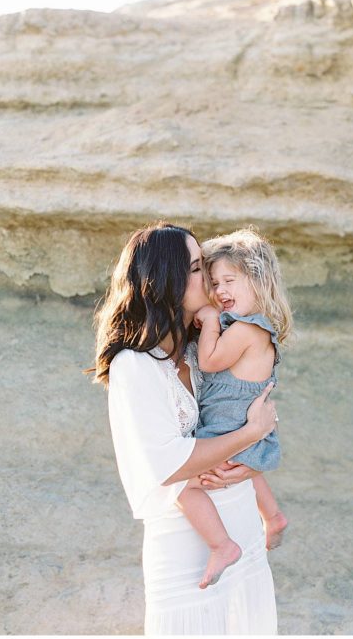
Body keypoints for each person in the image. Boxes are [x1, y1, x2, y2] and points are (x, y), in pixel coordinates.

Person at [90, 222, 279, 634]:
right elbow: (168, 464)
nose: (208, 276)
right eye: (196, 268)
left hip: (242, 524)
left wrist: (250, 460)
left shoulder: (197, 349)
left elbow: (242, 404)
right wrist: (249, 435)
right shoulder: (133, 365)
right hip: (183, 545)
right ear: (167, 280)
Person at [178, 228, 293, 589]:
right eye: (214, 282)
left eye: (230, 280)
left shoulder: (245, 330)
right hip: (238, 425)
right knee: (248, 467)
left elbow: (210, 361)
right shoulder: (250, 328)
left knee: (182, 487)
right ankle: (272, 516)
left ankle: (222, 545)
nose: (220, 290)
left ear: (259, 282)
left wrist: (210, 320)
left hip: (228, 428)